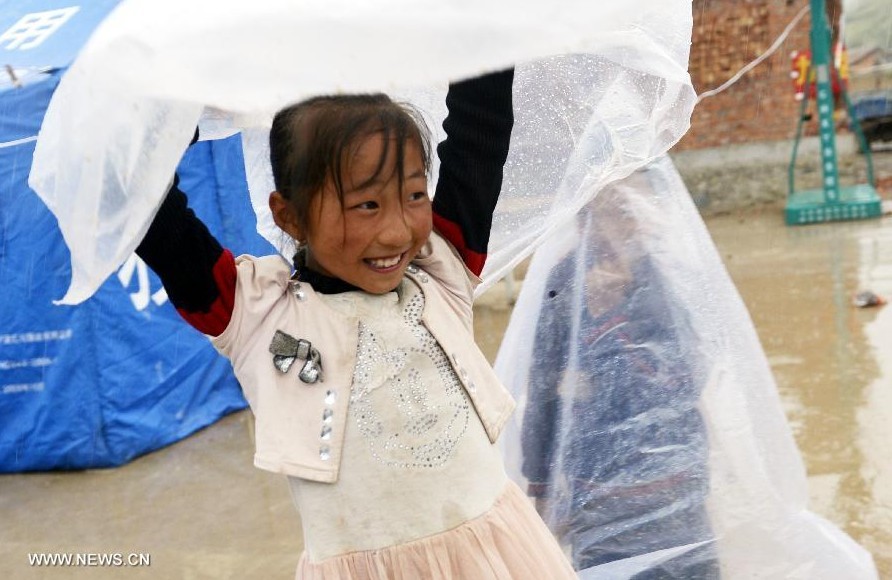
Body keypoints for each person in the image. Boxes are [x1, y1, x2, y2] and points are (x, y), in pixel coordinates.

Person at [136, 69, 577, 579]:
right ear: (289, 216)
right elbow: (145, 209)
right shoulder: (254, 314)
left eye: (414, 195)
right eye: (366, 205)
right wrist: (187, 105)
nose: (396, 231)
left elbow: (482, 124)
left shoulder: (442, 270)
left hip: (497, 562)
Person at [520, 184, 719, 577]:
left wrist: (613, 322)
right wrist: (540, 487)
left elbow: (688, 380)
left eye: (625, 212)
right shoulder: (564, 282)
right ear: (582, 223)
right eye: (603, 214)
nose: (618, 226)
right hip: (598, 498)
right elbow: (543, 388)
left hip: (676, 493)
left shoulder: (663, 276)